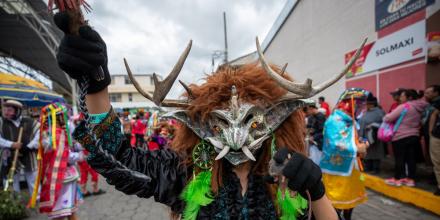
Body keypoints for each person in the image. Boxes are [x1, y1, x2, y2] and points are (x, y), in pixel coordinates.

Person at [53, 11, 365, 218]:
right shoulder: (185, 171)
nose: (236, 133)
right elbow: (117, 157)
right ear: (202, 124)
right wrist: (96, 85)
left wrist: (317, 191)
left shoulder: (289, 173)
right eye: (221, 120)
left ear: (273, 118)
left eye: (249, 119)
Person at [319, 88, 369, 220]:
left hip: (351, 168)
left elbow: (353, 139)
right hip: (337, 169)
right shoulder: (334, 120)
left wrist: (363, 143)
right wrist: (358, 148)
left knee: (350, 200)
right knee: (336, 201)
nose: (359, 107)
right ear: (348, 103)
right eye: (357, 104)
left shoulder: (349, 120)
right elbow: (335, 143)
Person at [30, 103, 82, 220]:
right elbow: (66, 156)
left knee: (67, 211)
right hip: (63, 177)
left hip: (56, 175)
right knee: (62, 213)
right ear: (57, 117)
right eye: (63, 115)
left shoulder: (47, 133)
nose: (66, 117)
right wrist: (81, 156)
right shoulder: (56, 134)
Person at [384, 89, 428, 187]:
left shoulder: (405, 106)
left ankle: (398, 178)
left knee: (400, 158)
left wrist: (387, 115)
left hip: (401, 136)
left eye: (402, 96)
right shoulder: (420, 107)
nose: (400, 98)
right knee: (411, 159)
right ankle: (410, 179)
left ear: (409, 97)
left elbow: (388, 118)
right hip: (414, 135)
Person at [0, 100, 39, 194]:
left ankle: (36, 201)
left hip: (28, 154)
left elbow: (40, 134)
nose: (6, 113)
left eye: (9, 110)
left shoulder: (29, 121)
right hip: (10, 156)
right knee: (12, 179)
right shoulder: (1, 122)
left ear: (17, 111)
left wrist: (29, 146)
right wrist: (11, 144)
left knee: (33, 179)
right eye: (4, 110)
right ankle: (15, 202)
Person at [359, 94, 385, 174]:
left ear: (372, 104)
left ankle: (376, 168)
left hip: (374, 136)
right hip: (365, 136)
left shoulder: (379, 112)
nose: (366, 105)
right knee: (367, 152)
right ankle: (368, 167)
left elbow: (384, 123)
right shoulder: (366, 112)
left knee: (376, 152)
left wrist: (373, 125)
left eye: (367, 104)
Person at [427, 85, 440, 195]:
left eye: (429, 92)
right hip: (437, 136)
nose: (426, 95)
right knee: (437, 162)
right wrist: (431, 131)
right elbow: (434, 115)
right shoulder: (436, 103)